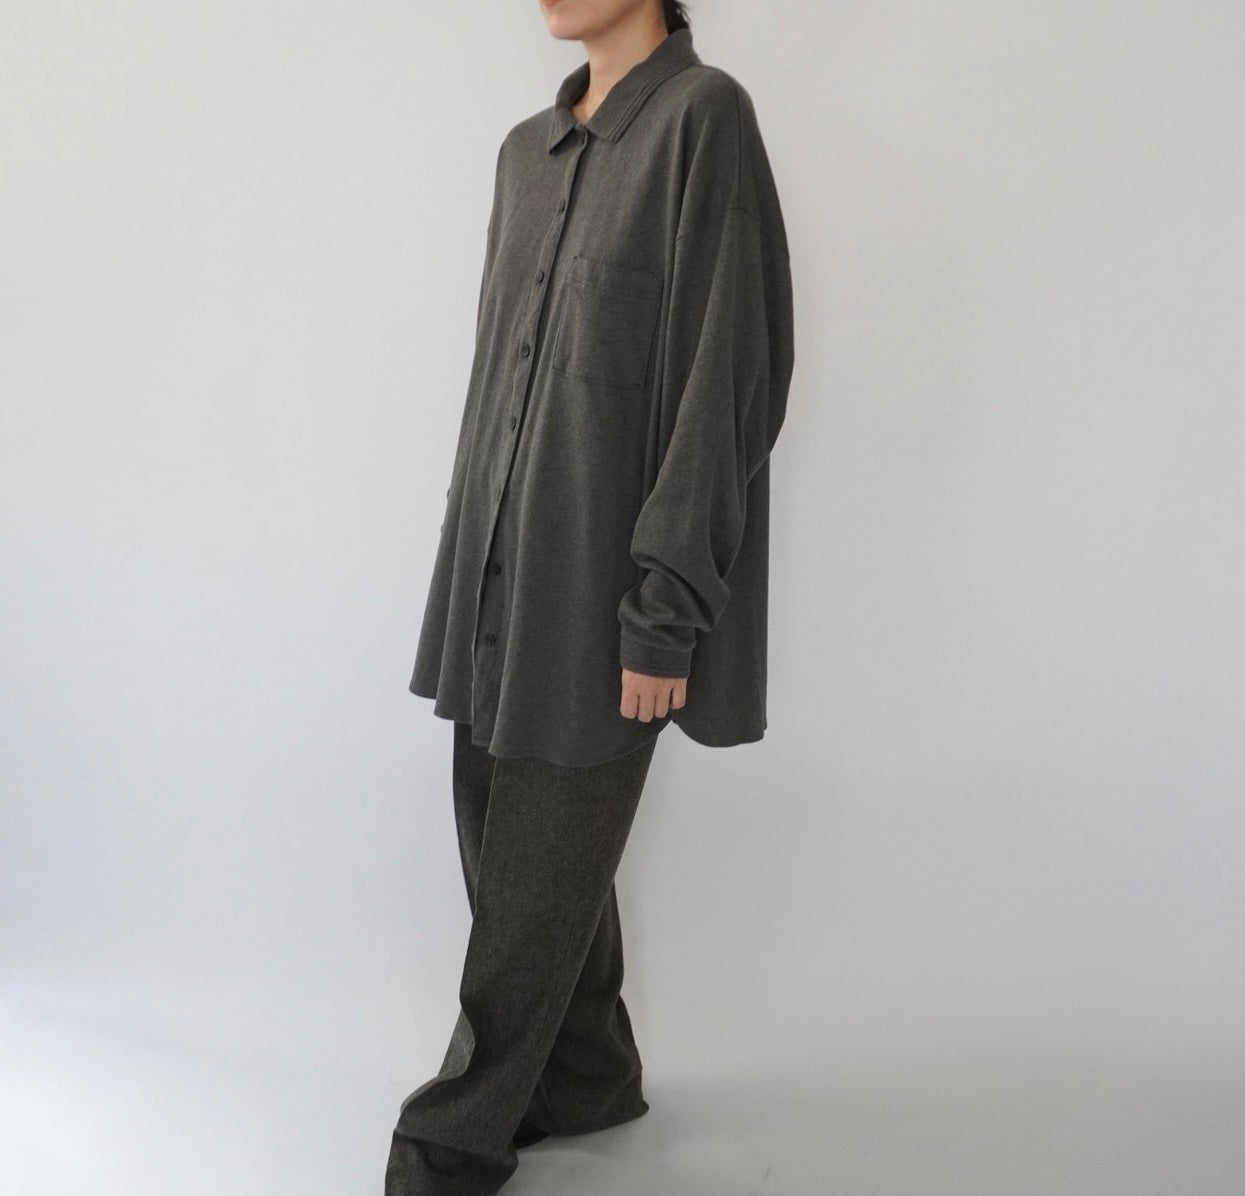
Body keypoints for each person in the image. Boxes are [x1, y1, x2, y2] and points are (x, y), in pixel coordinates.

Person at [386, 1, 794, 1192]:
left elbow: (729, 376)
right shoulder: (527, 151)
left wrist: (666, 605)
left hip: (602, 589)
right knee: (502, 839)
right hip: (493, 574)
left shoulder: (704, 118)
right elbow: (498, 374)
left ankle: (452, 1137)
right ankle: (589, 1074)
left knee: (530, 877)